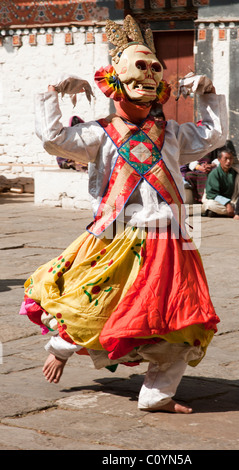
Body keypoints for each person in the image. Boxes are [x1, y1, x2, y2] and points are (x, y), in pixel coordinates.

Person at [19, 15, 227, 414]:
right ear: (114, 82)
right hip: (115, 233)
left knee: (183, 319)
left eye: (153, 71)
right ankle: (61, 348)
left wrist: (209, 93)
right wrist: (53, 91)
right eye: (138, 69)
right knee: (97, 301)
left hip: (171, 239)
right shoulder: (99, 133)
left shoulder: (172, 134)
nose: (147, 78)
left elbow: (213, 136)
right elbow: (52, 140)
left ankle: (157, 394)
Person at [201, 146, 239, 217]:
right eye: (226, 159)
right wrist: (226, 203)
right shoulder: (214, 174)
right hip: (218, 202)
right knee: (210, 204)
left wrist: (230, 204)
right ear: (219, 160)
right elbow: (211, 194)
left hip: (232, 201)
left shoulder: (235, 173)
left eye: (230, 159)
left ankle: (218, 212)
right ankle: (234, 212)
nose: (228, 161)